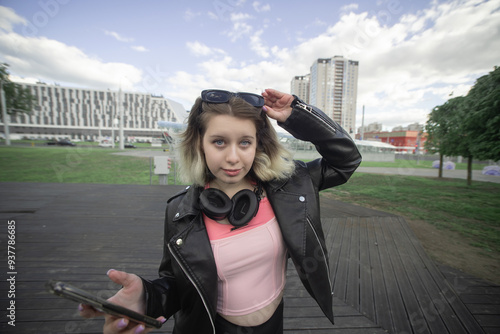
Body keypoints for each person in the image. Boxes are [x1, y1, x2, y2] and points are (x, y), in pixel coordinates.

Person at [80, 88, 362, 334]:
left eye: (245, 142)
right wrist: (147, 298)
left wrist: (296, 114)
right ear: (199, 144)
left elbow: (346, 160)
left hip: (275, 323)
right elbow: (177, 284)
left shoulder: (291, 185)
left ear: (258, 144)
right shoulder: (180, 211)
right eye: (219, 142)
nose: (233, 157)